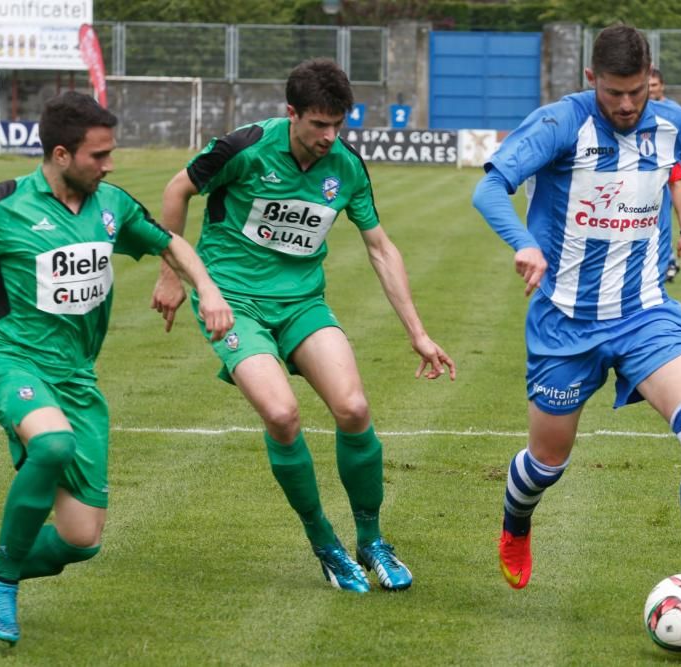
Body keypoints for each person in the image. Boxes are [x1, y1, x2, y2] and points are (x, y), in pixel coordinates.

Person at [473, 25, 681, 634]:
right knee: (548, 459)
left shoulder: (674, 123)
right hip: (564, 322)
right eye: (614, 93)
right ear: (592, 80)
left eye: (637, 92)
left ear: (651, 79)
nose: (626, 105)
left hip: (645, 312)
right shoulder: (560, 123)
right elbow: (490, 187)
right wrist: (522, 243)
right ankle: (516, 522)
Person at [0, 91, 233, 645]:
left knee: (81, 540)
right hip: (9, 359)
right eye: (98, 156)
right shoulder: (4, 206)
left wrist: (207, 287)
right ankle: (4, 584)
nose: (109, 165)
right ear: (60, 155)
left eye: (110, 153)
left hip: (76, 378)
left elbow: (170, 242)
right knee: (50, 446)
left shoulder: (112, 206)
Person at [150, 58, 455, 594]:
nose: (329, 136)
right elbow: (178, 190)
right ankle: (326, 544)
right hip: (234, 302)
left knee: (354, 407)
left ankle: (371, 540)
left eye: (339, 124)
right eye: (318, 124)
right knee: (282, 414)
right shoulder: (243, 149)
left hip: (302, 305)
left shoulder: (347, 166)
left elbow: (380, 249)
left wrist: (418, 334)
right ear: (290, 113)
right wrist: (172, 276)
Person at [649, 67, 681, 282]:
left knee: (659, 222)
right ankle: (667, 262)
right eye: (646, 86)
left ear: (662, 86)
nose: (650, 90)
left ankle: (665, 262)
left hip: (667, 175)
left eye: (654, 85)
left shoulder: (675, 114)